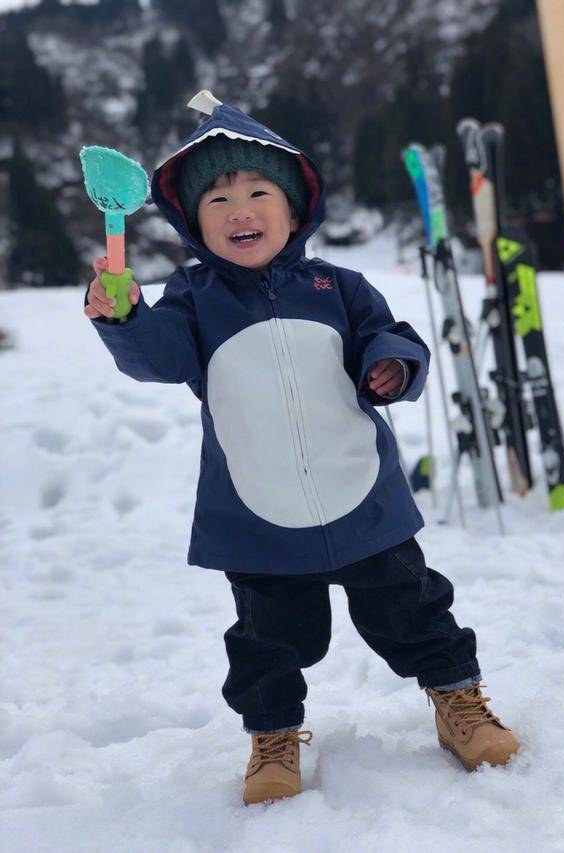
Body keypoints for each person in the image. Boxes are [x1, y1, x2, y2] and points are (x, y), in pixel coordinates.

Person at [85, 90, 519, 806]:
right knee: (268, 641)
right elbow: (156, 357)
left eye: (259, 191)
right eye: (218, 200)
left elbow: (395, 335)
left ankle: (458, 702)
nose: (240, 210)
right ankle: (273, 739)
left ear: (296, 210)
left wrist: (390, 362)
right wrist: (126, 312)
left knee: (413, 609)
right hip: (257, 514)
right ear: (194, 223)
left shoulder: (337, 285)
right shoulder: (190, 301)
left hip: (361, 497)